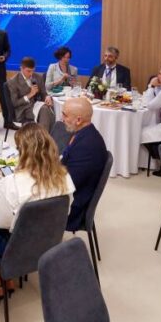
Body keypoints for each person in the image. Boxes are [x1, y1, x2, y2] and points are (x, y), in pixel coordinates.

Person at [0, 123, 74, 300]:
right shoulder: (65, 177)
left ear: (23, 152)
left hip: (15, 247)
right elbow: (65, 211)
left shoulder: (12, 183)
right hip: (49, 243)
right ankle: (9, 279)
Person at [57, 98, 108, 230]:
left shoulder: (87, 146)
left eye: (65, 115)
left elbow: (66, 184)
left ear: (78, 120)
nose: (62, 118)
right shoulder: (85, 133)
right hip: (68, 190)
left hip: (72, 208)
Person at [8, 57, 51, 124]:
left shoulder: (38, 77)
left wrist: (47, 97)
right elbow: (15, 103)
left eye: (33, 70)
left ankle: (42, 130)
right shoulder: (13, 81)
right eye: (28, 71)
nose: (31, 74)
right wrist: (30, 95)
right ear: (21, 68)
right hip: (23, 109)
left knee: (50, 108)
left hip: (37, 105)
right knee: (45, 111)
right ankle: (42, 130)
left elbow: (44, 93)